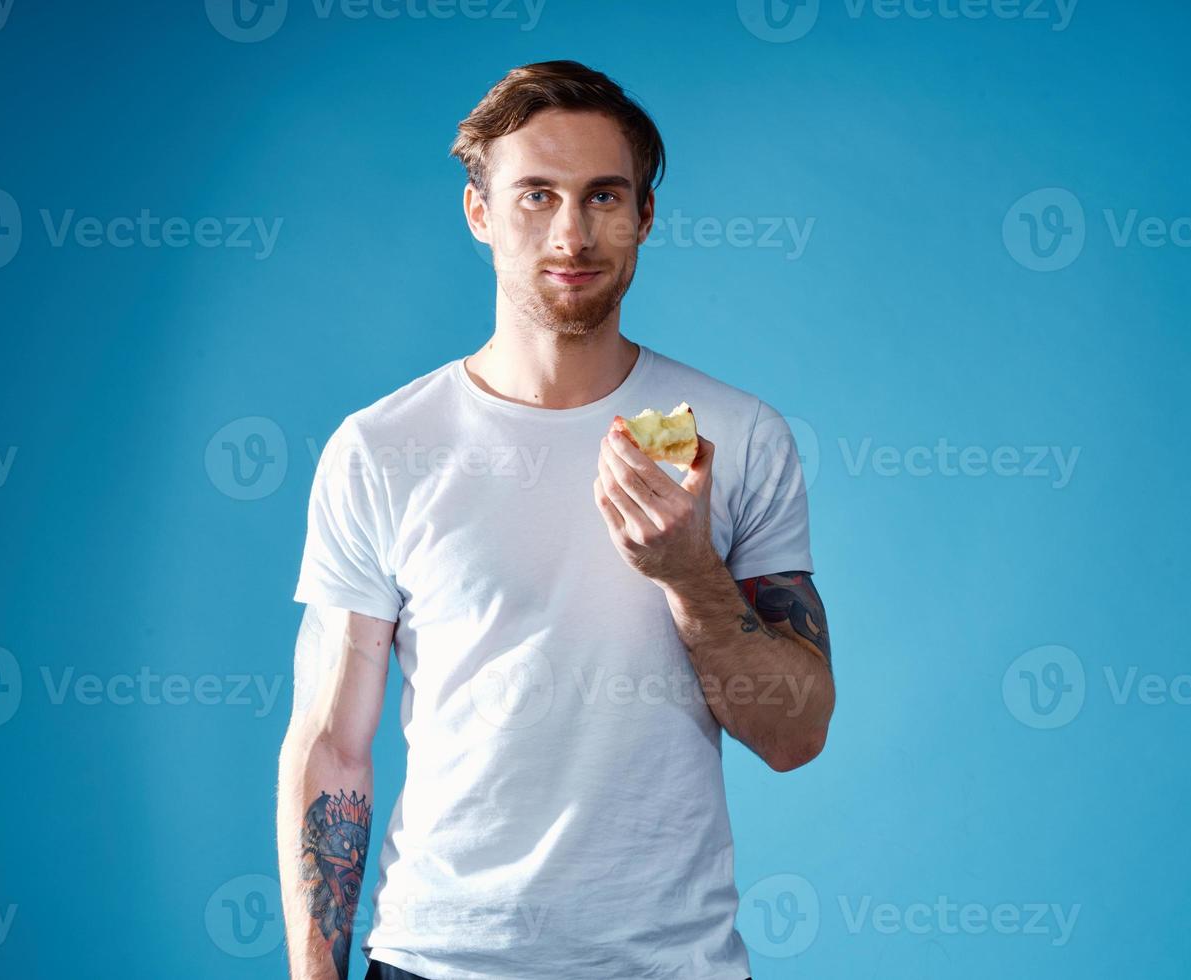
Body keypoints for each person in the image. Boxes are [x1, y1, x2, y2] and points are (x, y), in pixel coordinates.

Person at [276, 59, 834, 980]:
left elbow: (795, 735)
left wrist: (691, 574)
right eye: (535, 195)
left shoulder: (735, 436)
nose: (571, 232)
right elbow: (333, 743)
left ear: (645, 217)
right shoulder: (382, 448)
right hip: (436, 961)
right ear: (479, 213)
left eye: (604, 196)